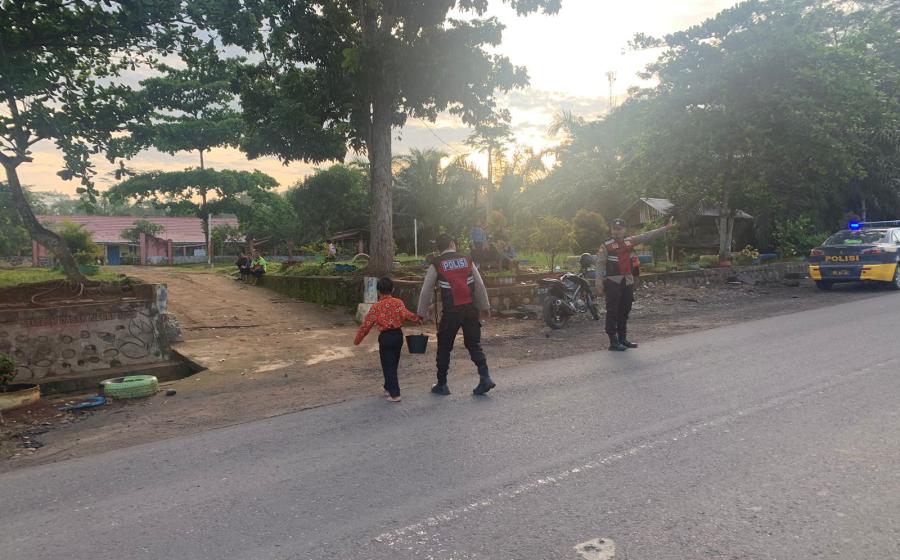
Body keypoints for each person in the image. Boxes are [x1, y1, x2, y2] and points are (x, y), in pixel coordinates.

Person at [417, 233, 495, 396]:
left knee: (444, 347)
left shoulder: (437, 263)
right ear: (452, 243)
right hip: (471, 309)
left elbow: (426, 290)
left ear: (439, 248)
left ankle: (442, 384)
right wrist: (485, 305)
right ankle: (485, 377)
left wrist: (421, 313)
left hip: (452, 312)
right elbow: (479, 284)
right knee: (474, 344)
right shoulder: (467, 259)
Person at [597, 218, 673, 351]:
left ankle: (622, 338)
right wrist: (598, 282)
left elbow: (648, 235)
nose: (617, 232)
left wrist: (665, 228)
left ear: (624, 230)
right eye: (614, 229)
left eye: (619, 229)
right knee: (612, 311)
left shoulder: (630, 241)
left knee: (625, 310)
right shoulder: (606, 245)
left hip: (628, 281)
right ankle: (613, 341)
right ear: (611, 230)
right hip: (613, 282)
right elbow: (600, 264)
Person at [354, 277, 422, 402]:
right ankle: (387, 387)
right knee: (393, 363)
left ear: (378, 291)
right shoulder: (398, 302)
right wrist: (418, 319)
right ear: (393, 289)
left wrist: (358, 339)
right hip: (397, 335)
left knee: (387, 364)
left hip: (385, 337)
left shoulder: (376, 307)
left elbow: (366, 325)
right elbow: (406, 314)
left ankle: (395, 394)